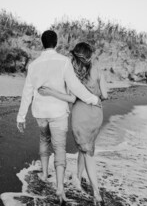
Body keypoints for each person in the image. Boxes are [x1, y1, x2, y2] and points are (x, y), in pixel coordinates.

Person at [16, 31, 100, 204]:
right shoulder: (64, 62)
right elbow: (75, 86)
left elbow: (27, 92)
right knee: (59, 147)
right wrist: (92, 98)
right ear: (56, 43)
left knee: (44, 139)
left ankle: (45, 174)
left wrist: (21, 117)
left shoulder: (33, 65)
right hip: (58, 112)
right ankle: (60, 188)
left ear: (42, 43)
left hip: (40, 112)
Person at [38, 42, 107, 202]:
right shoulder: (97, 69)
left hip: (80, 116)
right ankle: (78, 177)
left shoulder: (72, 72)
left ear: (75, 56)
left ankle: (96, 193)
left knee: (87, 151)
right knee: (87, 147)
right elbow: (105, 94)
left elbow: (71, 98)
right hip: (97, 114)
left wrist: (50, 92)